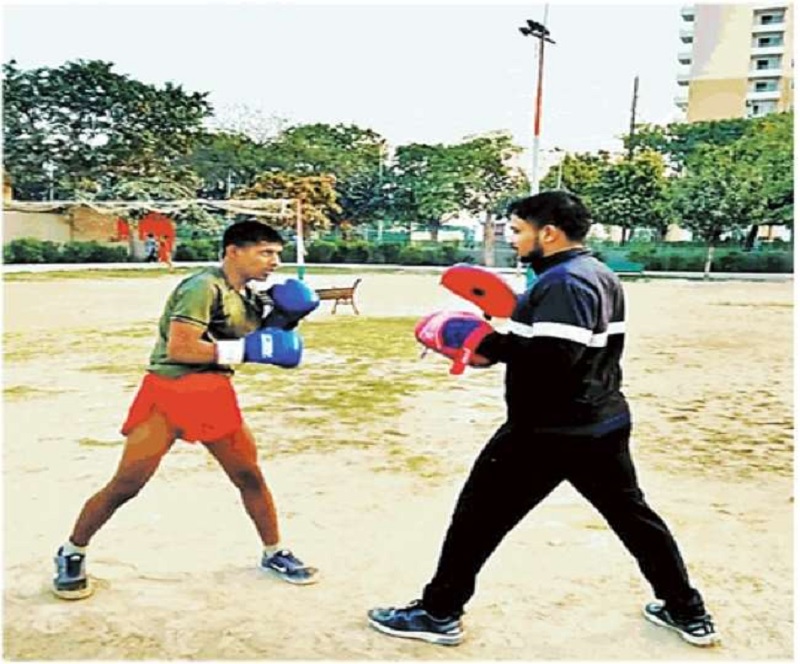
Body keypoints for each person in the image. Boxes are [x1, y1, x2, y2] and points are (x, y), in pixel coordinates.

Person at [368, 191, 719, 648]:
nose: (512, 239)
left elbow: (553, 358)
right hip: (600, 422)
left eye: (517, 230)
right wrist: (499, 337)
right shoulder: (594, 273)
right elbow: (555, 343)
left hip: (545, 431)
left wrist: (483, 342)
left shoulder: (565, 282)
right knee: (635, 519)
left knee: (476, 519)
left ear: (548, 233)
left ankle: (439, 613)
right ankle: (687, 610)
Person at [53, 220, 320, 600]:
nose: (274, 262)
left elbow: (262, 339)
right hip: (169, 393)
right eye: (265, 252)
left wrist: (284, 319)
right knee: (126, 485)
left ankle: (274, 551)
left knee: (249, 476)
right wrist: (246, 350)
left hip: (214, 394)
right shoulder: (202, 287)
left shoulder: (249, 296)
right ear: (233, 251)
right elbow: (181, 348)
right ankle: (72, 551)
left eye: (277, 254)